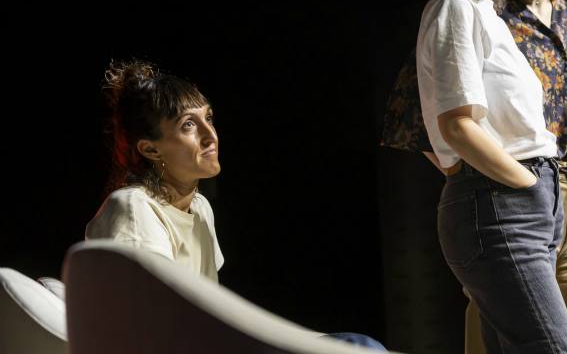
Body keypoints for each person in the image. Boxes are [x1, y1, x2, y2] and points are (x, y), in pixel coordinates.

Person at [383, 0, 567, 353]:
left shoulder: (547, 11)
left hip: (564, 198)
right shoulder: (469, 7)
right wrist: (512, 182)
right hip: (513, 196)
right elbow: (433, 121)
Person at [87, 60, 386, 350]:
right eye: (188, 124)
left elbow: (208, 317)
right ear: (150, 149)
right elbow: (148, 328)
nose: (210, 136)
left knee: (357, 345)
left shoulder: (199, 208)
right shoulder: (134, 207)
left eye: (209, 118)